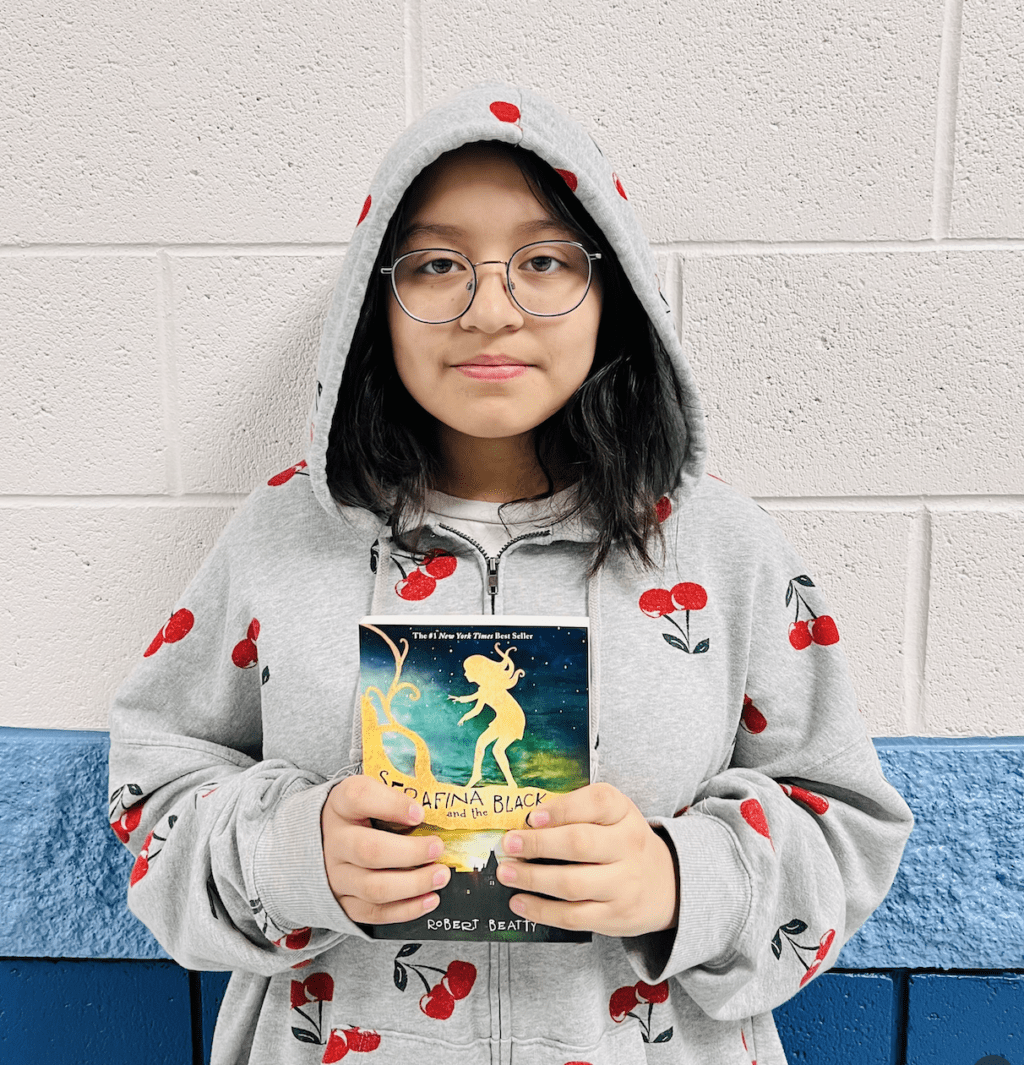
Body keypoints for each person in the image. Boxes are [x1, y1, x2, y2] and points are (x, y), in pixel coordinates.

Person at [108, 82, 914, 1065]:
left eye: (541, 262)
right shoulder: (283, 532)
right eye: (439, 264)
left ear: (610, 288)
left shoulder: (721, 551)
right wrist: (293, 855)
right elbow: (152, 786)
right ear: (379, 294)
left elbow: (849, 825)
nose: (490, 309)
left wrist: (678, 881)